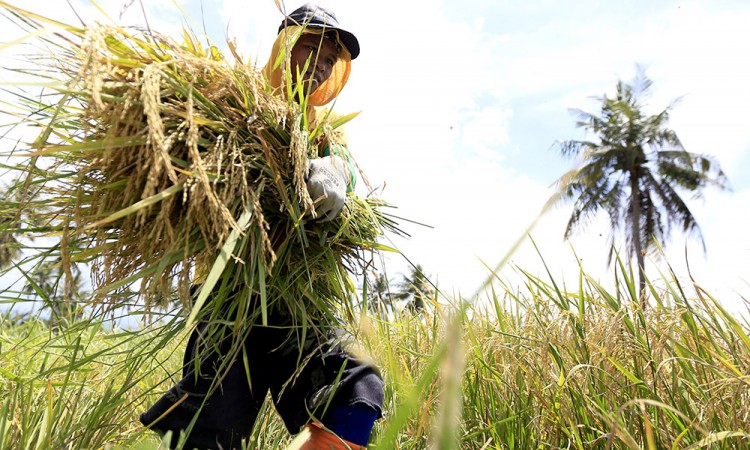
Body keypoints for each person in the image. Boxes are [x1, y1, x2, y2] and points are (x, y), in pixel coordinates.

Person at [139, 4, 384, 450]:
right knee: (211, 427)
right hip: (228, 294)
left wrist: (334, 173)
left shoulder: (327, 133)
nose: (322, 65)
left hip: (298, 298)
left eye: (330, 59)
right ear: (284, 47)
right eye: (312, 49)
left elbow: (347, 169)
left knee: (356, 388)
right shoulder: (234, 101)